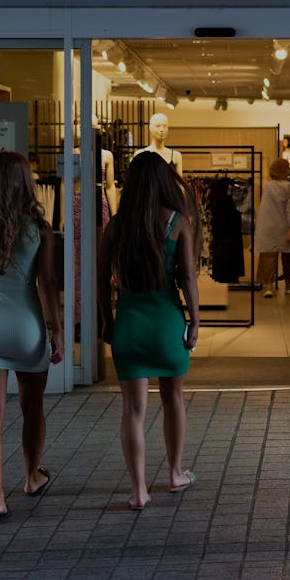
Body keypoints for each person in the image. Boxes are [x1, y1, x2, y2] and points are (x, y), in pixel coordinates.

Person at [0, 151, 64, 526]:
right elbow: (47, 283)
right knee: (32, 407)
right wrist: (57, 329)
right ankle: (32, 477)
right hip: (27, 327)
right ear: (25, 183)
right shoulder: (39, 227)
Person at [97, 151, 200, 510]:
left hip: (129, 323)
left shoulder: (116, 226)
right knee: (172, 398)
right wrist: (196, 321)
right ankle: (175, 473)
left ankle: (138, 490)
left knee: (133, 410)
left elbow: (99, 281)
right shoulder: (178, 222)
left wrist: (107, 322)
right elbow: (186, 278)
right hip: (167, 324)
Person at [254, 157, 290, 298]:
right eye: (287, 168)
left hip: (267, 226)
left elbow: (264, 209)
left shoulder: (268, 186)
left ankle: (268, 287)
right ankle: (288, 286)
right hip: (283, 226)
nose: (289, 170)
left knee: (268, 256)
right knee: (287, 256)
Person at [134, 112, 183, 176]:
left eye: (165, 126)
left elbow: (179, 184)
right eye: (158, 126)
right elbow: (135, 181)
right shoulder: (139, 154)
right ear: (150, 128)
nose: (162, 129)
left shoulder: (176, 156)